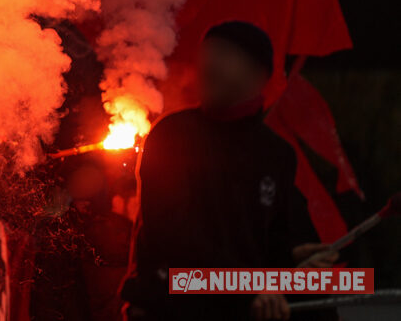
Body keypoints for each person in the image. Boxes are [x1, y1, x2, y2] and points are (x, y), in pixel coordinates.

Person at [121, 21, 338, 321]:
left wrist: (293, 259)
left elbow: (276, 239)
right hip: (168, 310)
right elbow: (174, 238)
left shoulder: (275, 153)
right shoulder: (171, 135)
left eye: (222, 54)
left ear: (259, 75)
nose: (209, 64)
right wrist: (251, 289)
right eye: (206, 54)